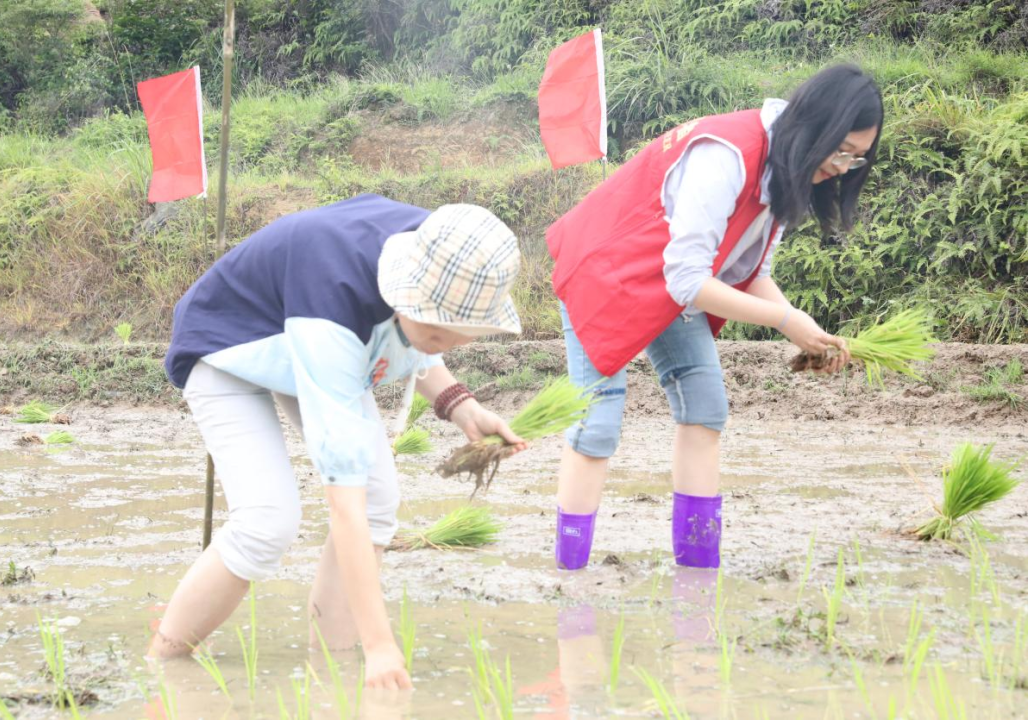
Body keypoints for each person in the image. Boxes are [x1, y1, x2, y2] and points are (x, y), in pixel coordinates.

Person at [150, 194, 528, 690]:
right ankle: (161, 668)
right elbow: (342, 501)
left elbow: (419, 333)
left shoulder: (449, 247)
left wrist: (460, 403)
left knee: (380, 501)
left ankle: (331, 668)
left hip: (301, 325)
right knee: (268, 521)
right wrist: (381, 644)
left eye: (464, 337)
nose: (449, 346)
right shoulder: (332, 313)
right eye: (440, 338)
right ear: (402, 293)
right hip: (226, 344)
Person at [546, 64, 883, 571]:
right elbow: (689, 280)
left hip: (671, 284)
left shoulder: (784, 172)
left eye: (857, 160)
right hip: (607, 272)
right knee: (598, 425)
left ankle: (698, 568)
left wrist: (802, 325)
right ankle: (569, 576)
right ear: (815, 126)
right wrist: (783, 322)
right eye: (841, 152)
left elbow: (750, 272)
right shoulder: (727, 153)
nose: (842, 167)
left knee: (705, 408)